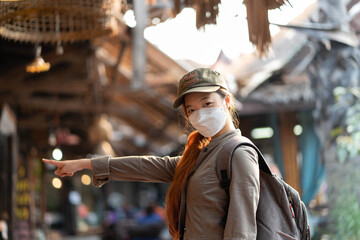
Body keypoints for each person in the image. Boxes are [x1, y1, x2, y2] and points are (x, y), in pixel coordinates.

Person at [43, 68, 260, 240]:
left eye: (207, 103)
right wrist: (84, 164)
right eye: (191, 110)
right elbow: (146, 166)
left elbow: (242, 231)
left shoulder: (238, 153)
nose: (199, 114)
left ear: (227, 101)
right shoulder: (201, 155)